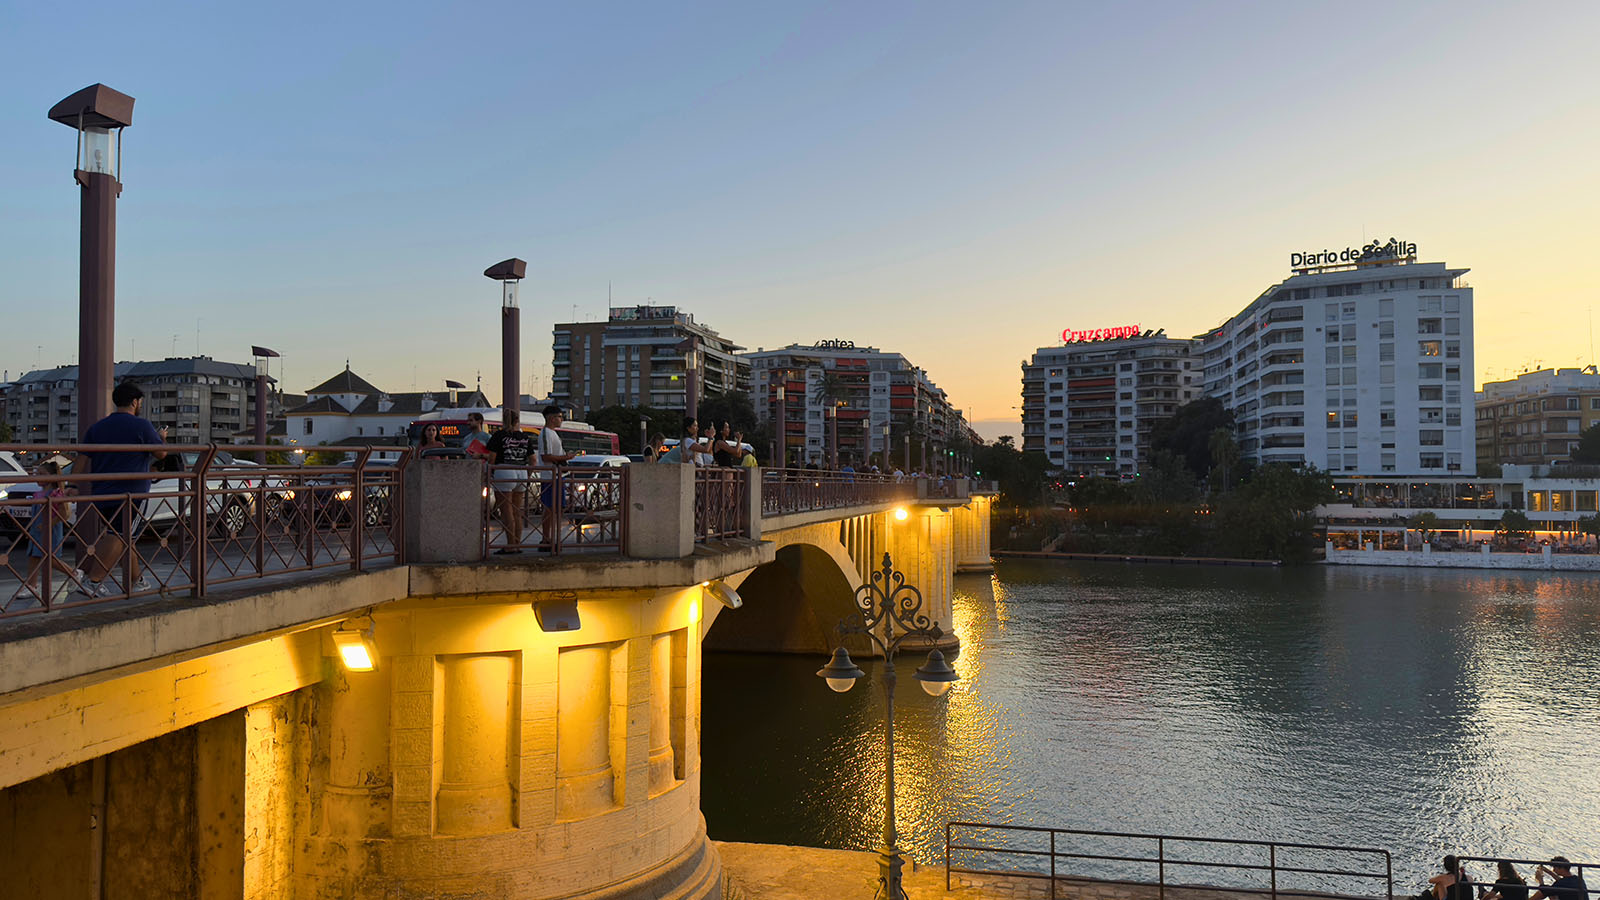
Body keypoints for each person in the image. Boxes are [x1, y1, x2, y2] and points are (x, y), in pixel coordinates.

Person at [78, 382, 168, 595]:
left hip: (101, 493)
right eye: (140, 403)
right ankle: (93, 581)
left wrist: (72, 485)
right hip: (132, 494)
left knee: (125, 537)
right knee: (120, 535)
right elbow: (161, 455)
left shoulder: (97, 427)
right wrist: (162, 439)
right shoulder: (142, 426)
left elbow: (81, 459)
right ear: (135, 402)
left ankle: (137, 580)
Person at [20, 459, 81, 603]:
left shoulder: (55, 494)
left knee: (48, 559)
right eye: (37, 473)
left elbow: (64, 514)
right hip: (37, 531)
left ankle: (73, 573)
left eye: (42, 474)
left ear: (52, 477)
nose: (38, 477)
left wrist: (48, 524)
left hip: (49, 531)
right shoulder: (38, 494)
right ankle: (31, 586)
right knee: (33, 556)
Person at [486, 409, 534, 554]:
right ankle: (517, 544)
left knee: (506, 511)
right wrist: (528, 475)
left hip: (504, 470)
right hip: (521, 471)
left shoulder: (499, 435)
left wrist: (490, 473)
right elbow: (533, 460)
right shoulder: (524, 437)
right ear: (517, 421)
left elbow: (492, 458)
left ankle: (510, 545)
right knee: (517, 511)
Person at [534, 405, 573, 551]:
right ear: (552, 418)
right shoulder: (545, 433)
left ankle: (550, 538)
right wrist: (566, 457)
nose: (561, 419)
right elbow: (546, 457)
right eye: (560, 417)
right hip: (550, 476)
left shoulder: (552, 434)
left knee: (556, 508)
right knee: (549, 508)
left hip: (557, 475)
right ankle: (546, 539)